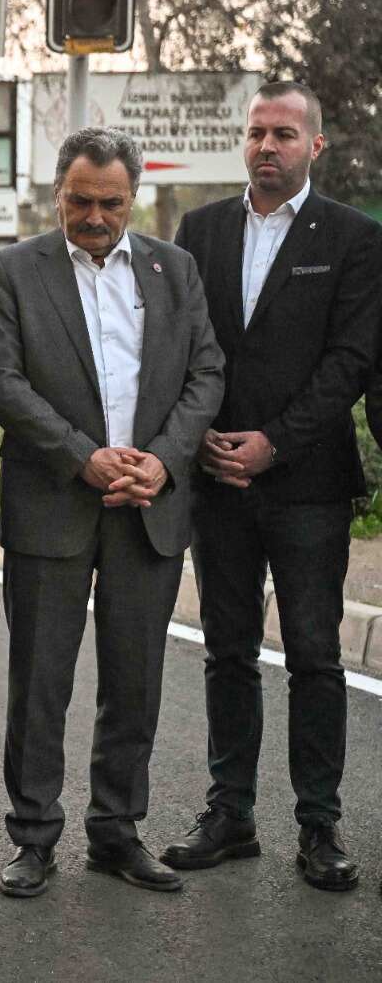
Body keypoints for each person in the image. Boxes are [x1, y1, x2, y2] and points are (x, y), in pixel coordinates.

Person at [0, 127, 224, 899]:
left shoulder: (172, 268)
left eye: (111, 203)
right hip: (54, 500)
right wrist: (83, 454)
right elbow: (1, 381)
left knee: (135, 681)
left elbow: (206, 371)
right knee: (40, 680)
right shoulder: (15, 270)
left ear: (133, 198)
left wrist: (163, 458)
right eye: (80, 201)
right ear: (57, 194)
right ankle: (34, 837)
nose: (95, 216)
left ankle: (117, 831)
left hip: (147, 504)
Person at [162, 81, 382, 891]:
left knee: (316, 656)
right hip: (217, 478)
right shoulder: (202, 229)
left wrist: (275, 444)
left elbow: (350, 363)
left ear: (315, 147)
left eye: (284, 134)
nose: (267, 147)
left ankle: (319, 826)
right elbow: (186, 343)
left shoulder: (354, 238)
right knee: (226, 651)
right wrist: (204, 439)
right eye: (256, 133)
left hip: (309, 485)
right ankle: (231, 814)